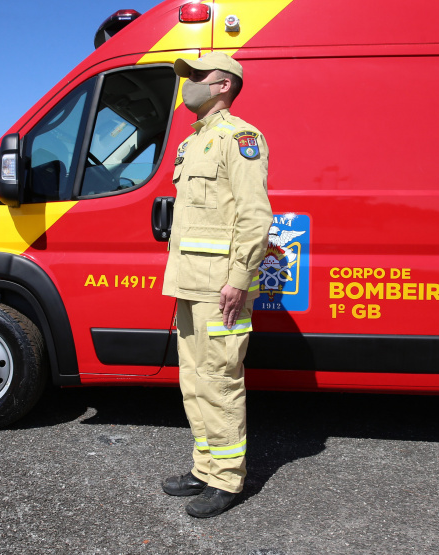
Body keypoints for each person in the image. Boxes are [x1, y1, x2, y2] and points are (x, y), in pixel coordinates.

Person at [160, 52, 273, 518]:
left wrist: (239, 280)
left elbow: (255, 217)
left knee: (221, 382)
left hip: (220, 288)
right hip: (189, 283)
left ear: (223, 85)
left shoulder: (241, 138)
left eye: (196, 78)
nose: (188, 85)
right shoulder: (194, 143)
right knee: (193, 381)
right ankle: (204, 467)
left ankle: (227, 480)